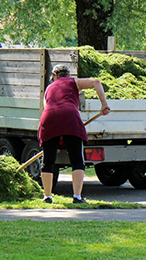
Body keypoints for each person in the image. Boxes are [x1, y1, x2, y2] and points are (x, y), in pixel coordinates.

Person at [38, 64, 110, 204]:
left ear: (56, 75)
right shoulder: (74, 82)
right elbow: (96, 82)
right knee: (77, 159)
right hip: (70, 116)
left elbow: (46, 106)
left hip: (49, 117)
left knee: (48, 161)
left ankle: (47, 196)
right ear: (68, 74)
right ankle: (77, 197)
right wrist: (104, 104)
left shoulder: (48, 88)